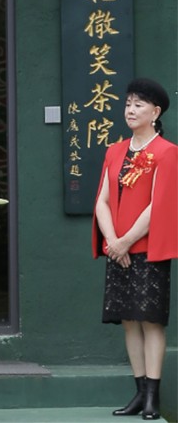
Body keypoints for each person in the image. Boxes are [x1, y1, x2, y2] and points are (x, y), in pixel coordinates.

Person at [93, 78, 177, 420]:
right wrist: (114, 241)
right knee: (129, 321)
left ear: (155, 113)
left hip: (146, 249)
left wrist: (126, 241)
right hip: (118, 249)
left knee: (151, 321)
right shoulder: (114, 151)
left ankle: (153, 397)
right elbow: (102, 201)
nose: (130, 109)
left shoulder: (166, 152)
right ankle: (139, 392)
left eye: (139, 104)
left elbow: (159, 205)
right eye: (128, 103)